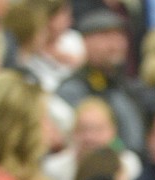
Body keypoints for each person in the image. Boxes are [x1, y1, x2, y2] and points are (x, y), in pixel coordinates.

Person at [55, 9, 145, 154]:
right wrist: (118, 150)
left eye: (120, 36)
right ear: (85, 41)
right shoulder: (74, 88)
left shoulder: (125, 84)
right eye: (106, 36)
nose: (115, 44)